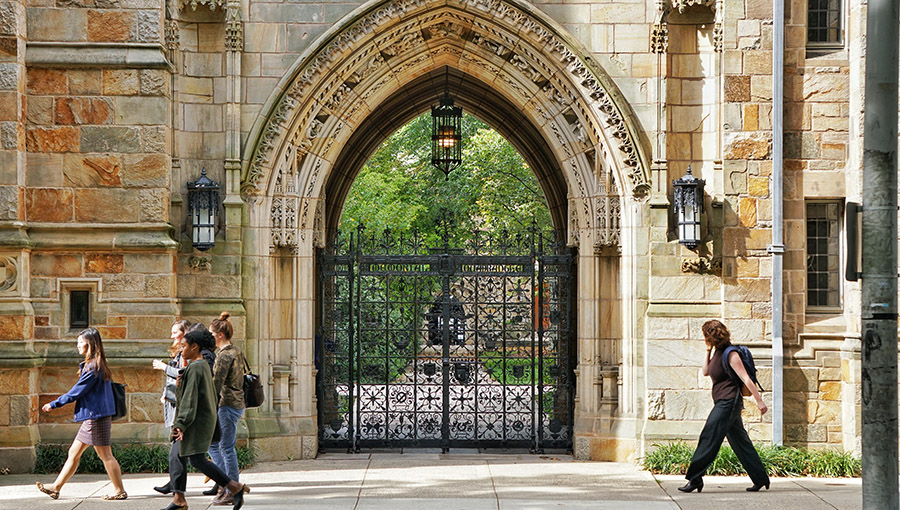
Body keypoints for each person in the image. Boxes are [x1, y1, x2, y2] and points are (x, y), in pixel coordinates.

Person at [678, 319, 771, 493]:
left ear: (710, 336)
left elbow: (746, 379)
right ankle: (760, 479)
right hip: (722, 401)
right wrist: (707, 351)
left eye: (705, 336)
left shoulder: (731, 354)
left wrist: (759, 401)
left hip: (729, 403)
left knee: (709, 436)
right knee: (740, 442)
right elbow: (705, 372)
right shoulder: (718, 353)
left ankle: (695, 479)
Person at [36, 328, 127, 501]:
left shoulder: (93, 367)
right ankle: (56, 487)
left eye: (80, 343)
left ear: (90, 344)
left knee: (105, 455)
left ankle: (119, 490)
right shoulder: (96, 364)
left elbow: (76, 392)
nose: (77, 346)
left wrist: (54, 403)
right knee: (74, 453)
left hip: (96, 417)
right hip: (94, 416)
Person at [167, 328, 249, 510]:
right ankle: (232, 487)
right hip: (200, 421)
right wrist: (181, 385)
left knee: (187, 457)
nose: (181, 350)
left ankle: (232, 487)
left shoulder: (196, 368)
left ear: (195, 347)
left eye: (184, 346)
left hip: (194, 423)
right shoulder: (202, 366)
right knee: (186, 457)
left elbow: (189, 400)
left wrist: (180, 424)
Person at [207, 312, 246, 505]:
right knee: (219, 446)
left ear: (219, 335)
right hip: (237, 403)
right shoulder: (236, 351)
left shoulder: (223, 356)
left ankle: (231, 488)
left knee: (226, 447)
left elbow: (216, 384)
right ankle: (225, 484)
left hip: (227, 404)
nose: (210, 337)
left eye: (211, 334)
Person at [150, 320, 190, 495]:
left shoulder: (186, 355)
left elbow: (183, 375)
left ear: (185, 333)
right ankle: (175, 484)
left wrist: (163, 366)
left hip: (182, 408)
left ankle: (226, 481)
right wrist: (166, 393)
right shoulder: (179, 353)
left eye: (176, 332)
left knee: (180, 452)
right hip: (175, 403)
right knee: (182, 452)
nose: (172, 336)